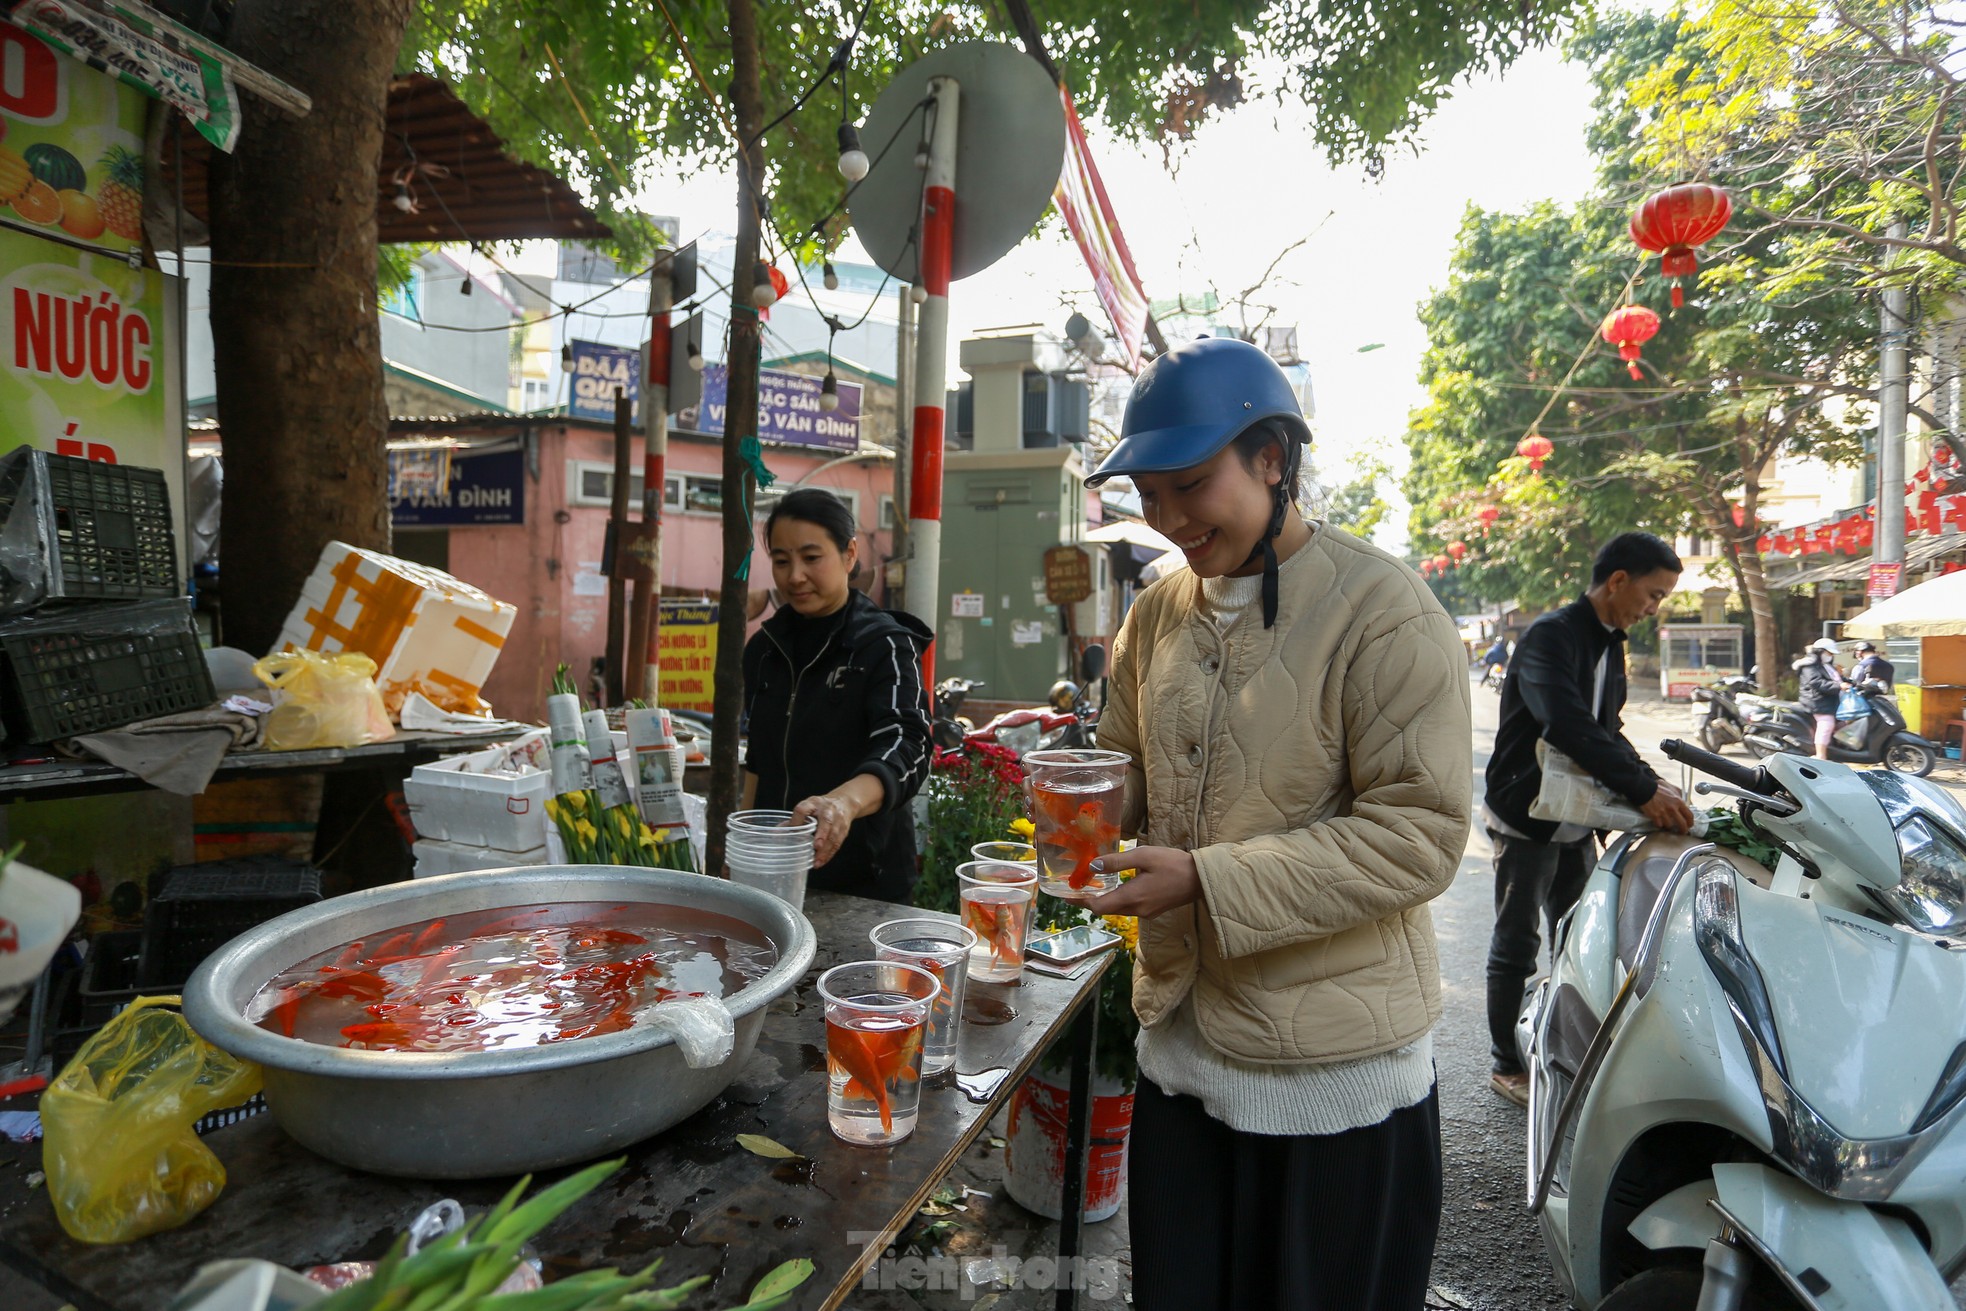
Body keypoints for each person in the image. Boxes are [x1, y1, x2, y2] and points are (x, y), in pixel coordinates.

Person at [1073, 337, 1472, 1311]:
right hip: (1180, 1063)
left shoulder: (1384, 610)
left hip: (1336, 1087)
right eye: (1149, 495)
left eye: (1189, 486)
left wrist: (1206, 879)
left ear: (1272, 459)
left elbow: (1418, 836)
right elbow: (1123, 762)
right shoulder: (1157, 613)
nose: (1170, 519)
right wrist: (1075, 815)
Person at [1482, 532, 1696, 1108]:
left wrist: (1651, 780)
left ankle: (1562, 1045)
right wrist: (1642, 791)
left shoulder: (1610, 643)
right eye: (1653, 594)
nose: (1653, 608)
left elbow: (1608, 729)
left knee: (1578, 937)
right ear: (1618, 580)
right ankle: (1507, 1062)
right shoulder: (1551, 635)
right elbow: (1567, 725)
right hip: (1528, 817)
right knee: (1517, 943)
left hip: (1577, 818)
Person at [740, 489, 932, 901]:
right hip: (776, 874)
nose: (795, 576)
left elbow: (908, 744)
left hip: (865, 886)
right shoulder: (764, 650)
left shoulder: (884, 645)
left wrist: (843, 804)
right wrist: (745, 845)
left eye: (811, 558)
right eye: (781, 561)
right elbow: (758, 760)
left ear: (849, 554)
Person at [1797, 637, 1847, 760]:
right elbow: (1816, 682)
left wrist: (1852, 682)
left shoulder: (1827, 666)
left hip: (1830, 700)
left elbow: (1838, 679)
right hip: (1817, 701)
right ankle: (1820, 754)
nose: (1830, 656)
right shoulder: (1809, 665)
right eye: (1828, 653)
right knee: (1827, 724)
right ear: (1820, 652)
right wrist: (1839, 686)